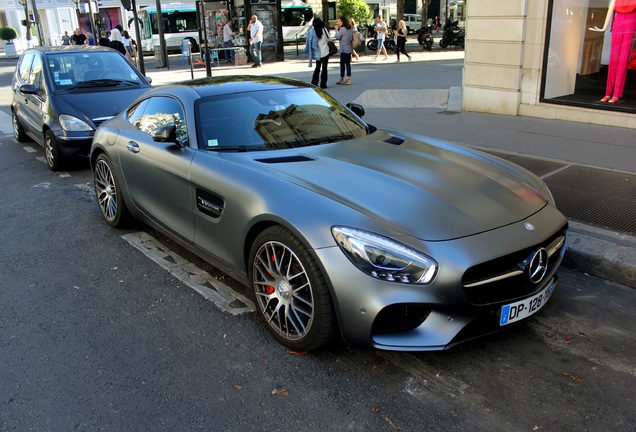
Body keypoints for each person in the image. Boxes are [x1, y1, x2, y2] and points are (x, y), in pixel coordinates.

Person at [590, 0, 636, 104]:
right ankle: (607, 93)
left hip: (630, 22)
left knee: (623, 60)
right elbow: (610, 11)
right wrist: (603, 28)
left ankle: (616, 94)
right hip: (618, 22)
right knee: (614, 59)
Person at [304, 17, 330, 88]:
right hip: (325, 51)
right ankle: (323, 84)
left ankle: (314, 82)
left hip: (317, 52)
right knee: (324, 68)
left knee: (317, 67)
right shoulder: (324, 30)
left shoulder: (312, 32)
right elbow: (329, 39)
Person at [335, 16, 354, 85]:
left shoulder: (342, 29)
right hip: (349, 48)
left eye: (339, 21)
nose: (338, 23)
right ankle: (348, 78)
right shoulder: (350, 28)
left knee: (342, 64)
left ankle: (341, 78)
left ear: (343, 22)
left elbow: (337, 37)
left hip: (343, 48)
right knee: (348, 64)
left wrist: (336, 30)